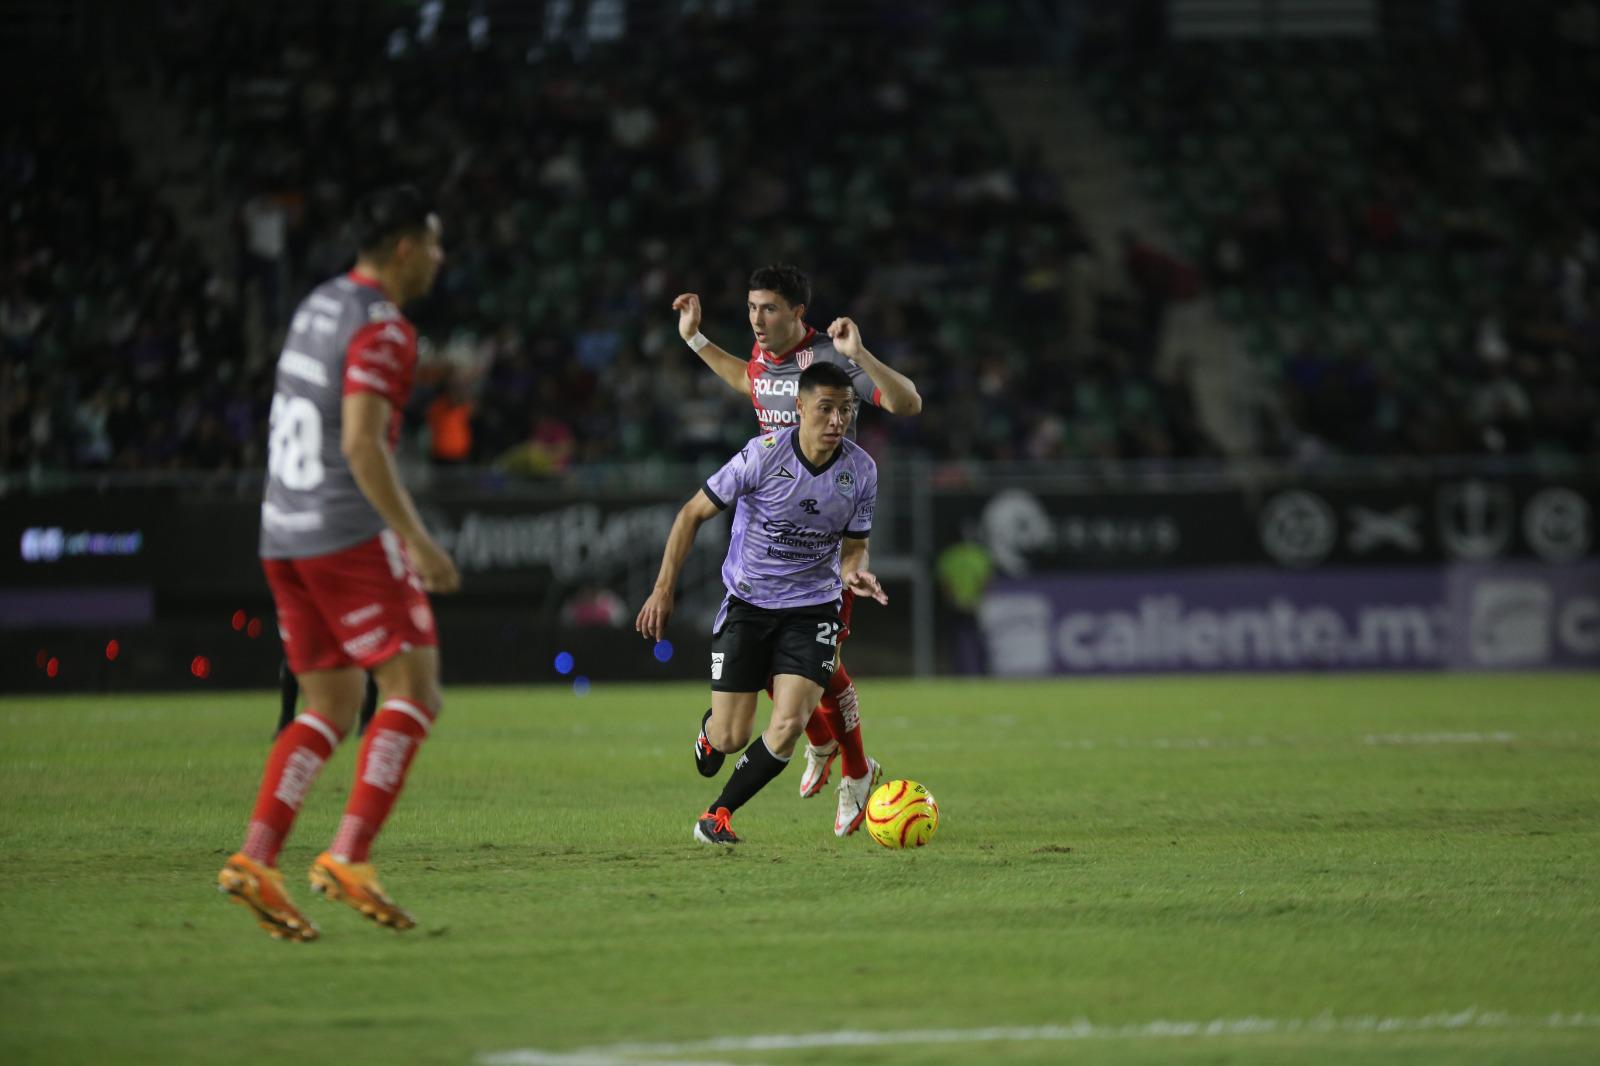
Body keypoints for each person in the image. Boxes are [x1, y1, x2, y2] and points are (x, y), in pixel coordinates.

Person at [217, 185, 459, 941]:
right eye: (435, 243)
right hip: (343, 533)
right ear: (404, 249)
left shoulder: (320, 302)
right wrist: (416, 539)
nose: (441, 259)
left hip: (281, 530)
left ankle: (258, 859)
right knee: (413, 689)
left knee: (329, 704)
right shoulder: (384, 329)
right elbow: (360, 444)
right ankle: (349, 856)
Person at [671, 264, 920, 835]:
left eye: (769, 309)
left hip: (821, 554)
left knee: (818, 667)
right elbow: (746, 381)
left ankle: (853, 769)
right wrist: (694, 339)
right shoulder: (765, 361)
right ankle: (825, 746)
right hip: (762, 550)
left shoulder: (829, 364)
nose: (756, 319)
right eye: (752, 309)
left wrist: (863, 353)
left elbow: (906, 404)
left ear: (797, 314)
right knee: (794, 672)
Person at [636, 362, 889, 845]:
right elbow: (691, 513)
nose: (837, 420)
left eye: (846, 410)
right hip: (748, 605)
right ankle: (711, 732)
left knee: (790, 722)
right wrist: (663, 588)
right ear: (798, 408)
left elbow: (855, 544)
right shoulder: (762, 457)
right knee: (731, 738)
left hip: (813, 608)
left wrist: (854, 571)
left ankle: (717, 816)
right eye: (826, 409)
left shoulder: (861, 471)